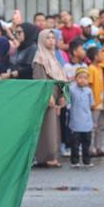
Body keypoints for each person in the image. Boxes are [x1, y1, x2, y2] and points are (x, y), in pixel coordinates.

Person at [32, 29, 67, 168]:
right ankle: (47, 156)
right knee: (48, 128)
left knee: (54, 127)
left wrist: (63, 95)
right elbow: (40, 80)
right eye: (48, 38)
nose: (51, 40)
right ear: (41, 40)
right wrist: (48, 96)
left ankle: (51, 155)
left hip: (55, 96)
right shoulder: (39, 58)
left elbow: (60, 78)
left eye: (53, 38)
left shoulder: (53, 57)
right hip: (47, 97)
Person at [68, 66, 95, 167]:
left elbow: (92, 105)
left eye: (85, 78)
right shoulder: (72, 90)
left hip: (87, 122)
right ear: (75, 78)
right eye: (80, 77)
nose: (82, 80)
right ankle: (74, 161)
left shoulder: (89, 91)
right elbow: (68, 103)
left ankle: (86, 161)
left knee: (86, 144)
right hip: (75, 122)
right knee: (75, 144)